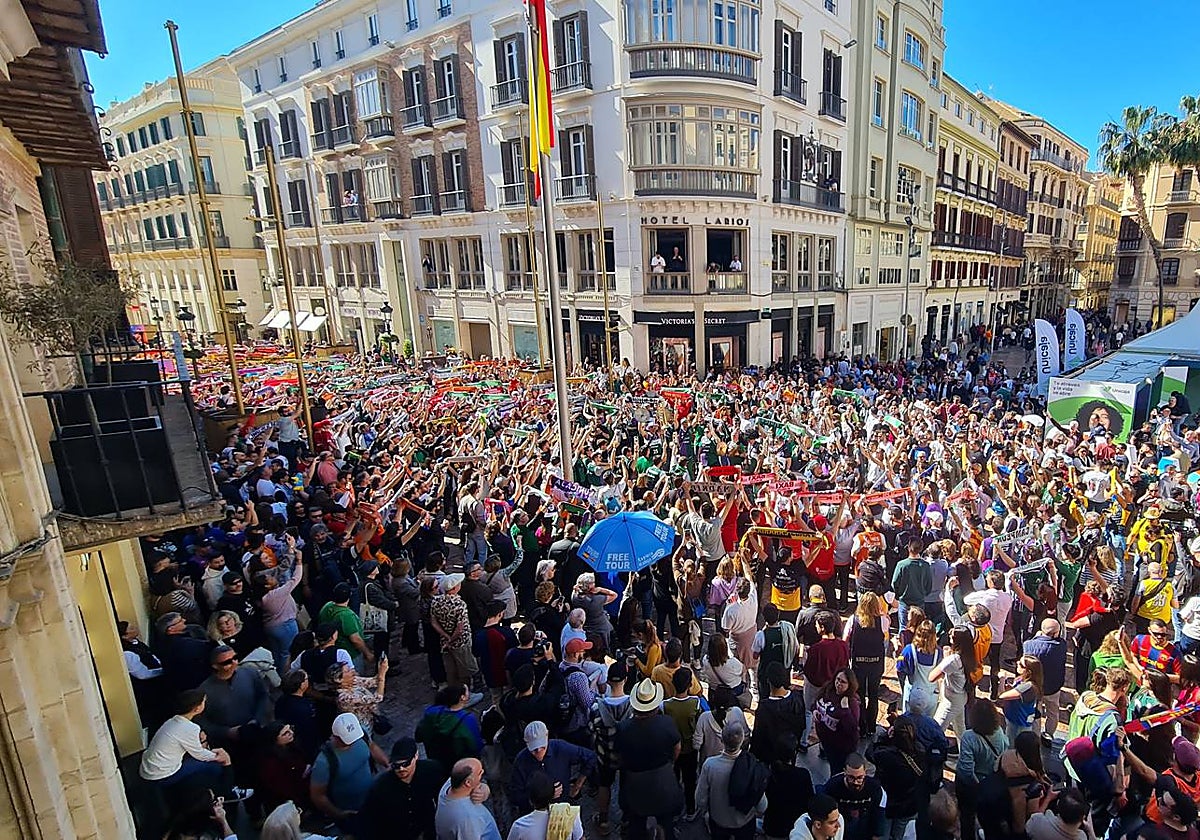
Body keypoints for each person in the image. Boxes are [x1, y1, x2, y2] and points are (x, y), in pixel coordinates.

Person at [614, 679, 684, 840]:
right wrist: (670, 762)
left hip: (635, 782)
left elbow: (619, 756)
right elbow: (677, 747)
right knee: (666, 823)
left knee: (636, 824)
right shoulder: (667, 723)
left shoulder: (624, 728)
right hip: (663, 779)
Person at [139, 689, 242, 798]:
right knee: (214, 767)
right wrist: (221, 757)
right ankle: (227, 793)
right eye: (203, 702)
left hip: (148, 770)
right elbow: (199, 754)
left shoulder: (172, 721)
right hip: (161, 776)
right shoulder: (191, 728)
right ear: (197, 709)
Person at [359, 737, 446, 840]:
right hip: (397, 833)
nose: (401, 769)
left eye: (405, 764)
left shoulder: (431, 770)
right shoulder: (381, 786)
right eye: (396, 765)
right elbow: (371, 818)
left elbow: (443, 794)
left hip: (427, 827)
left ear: (416, 756)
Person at [509, 720, 597, 818]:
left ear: (547, 736)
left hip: (561, 810)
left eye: (542, 747)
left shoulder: (561, 748)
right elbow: (515, 796)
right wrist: (543, 797)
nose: (539, 751)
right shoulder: (521, 762)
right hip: (534, 815)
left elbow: (590, 757)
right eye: (534, 749)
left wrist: (578, 785)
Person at [694, 721, 765, 840]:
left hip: (719, 820)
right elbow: (762, 805)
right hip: (744, 822)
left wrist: (705, 811)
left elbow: (700, 799)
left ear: (722, 740)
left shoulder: (710, 765)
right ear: (742, 740)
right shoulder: (752, 765)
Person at [588, 660, 633, 836]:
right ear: (626, 679)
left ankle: (604, 821)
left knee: (604, 785)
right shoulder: (633, 707)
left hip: (605, 756)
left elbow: (591, 730)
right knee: (627, 786)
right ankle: (626, 820)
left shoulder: (596, 708)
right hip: (627, 756)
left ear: (607, 681)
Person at [310, 713, 376, 831]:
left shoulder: (361, 734)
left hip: (371, 800)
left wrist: (387, 763)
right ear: (335, 737)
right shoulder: (323, 761)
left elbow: (372, 747)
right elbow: (318, 795)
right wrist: (338, 814)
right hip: (350, 812)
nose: (352, 741)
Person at [867, 718, 926, 840]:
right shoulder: (920, 750)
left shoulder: (886, 756)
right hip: (909, 804)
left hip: (888, 804)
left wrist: (885, 737)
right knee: (899, 835)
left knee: (883, 833)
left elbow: (870, 752)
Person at [845, 592, 889, 738]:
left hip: (859, 663)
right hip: (876, 663)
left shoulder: (853, 620)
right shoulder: (882, 621)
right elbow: (885, 637)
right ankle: (871, 727)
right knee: (873, 694)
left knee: (860, 694)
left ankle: (862, 726)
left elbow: (845, 639)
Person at [416, 684, 486, 771]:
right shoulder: (467, 720)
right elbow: (476, 746)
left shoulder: (432, 712)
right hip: (458, 763)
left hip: (435, 758)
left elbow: (419, 735)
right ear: (463, 697)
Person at [663, 667, 702, 819]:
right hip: (690, 749)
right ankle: (691, 809)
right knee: (690, 780)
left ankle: (675, 809)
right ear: (689, 685)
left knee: (674, 779)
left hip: (672, 749)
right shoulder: (695, 703)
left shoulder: (665, 705)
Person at [1023, 619, 1068, 747]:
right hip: (1053, 686)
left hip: (1035, 686)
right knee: (1053, 712)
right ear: (1056, 633)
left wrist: (1037, 636)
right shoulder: (1061, 646)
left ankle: (1035, 736)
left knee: (1035, 712)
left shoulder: (1028, 645)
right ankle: (1048, 735)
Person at [751, 662, 807, 763]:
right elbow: (802, 725)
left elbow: (758, 737)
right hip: (790, 750)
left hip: (771, 756)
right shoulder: (797, 698)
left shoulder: (764, 708)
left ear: (768, 681)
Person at [822, 754, 886, 840]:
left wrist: (876, 834)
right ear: (844, 772)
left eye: (860, 777)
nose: (856, 782)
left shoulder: (875, 788)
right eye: (851, 777)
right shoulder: (832, 787)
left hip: (865, 828)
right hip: (840, 829)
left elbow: (879, 813)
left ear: (865, 772)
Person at [434, 758, 501, 840]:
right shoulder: (468, 818)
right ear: (468, 783)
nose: (483, 772)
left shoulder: (448, 787)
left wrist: (484, 788)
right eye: (480, 773)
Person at [813, 669, 861, 773]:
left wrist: (845, 710)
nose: (838, 684)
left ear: (850, 684)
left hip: (841, 747)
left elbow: (852, 728)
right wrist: (815, 710)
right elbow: (816, 702)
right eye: (838, 679)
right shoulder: (827, 689)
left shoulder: (852, 702)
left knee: (837, 770)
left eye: (843, 682)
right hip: (826, 742)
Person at [319, 582, 375, 669]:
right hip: (350, 654)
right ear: (349, 596)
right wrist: (368, 654)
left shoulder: (327, 606)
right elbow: (355, 640)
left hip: (332, 653)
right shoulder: (346, 615)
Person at [753, 604, 799, 692]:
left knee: (765, 694)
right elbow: (796, 648)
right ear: (778, 614)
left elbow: (755, 656)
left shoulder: (761, 635)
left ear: (764, 618)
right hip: (784, 672)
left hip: (766, 674)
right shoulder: (788, 630)